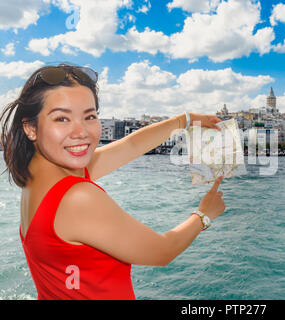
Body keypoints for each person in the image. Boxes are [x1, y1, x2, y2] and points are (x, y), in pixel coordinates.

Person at [0, 63, 226, 300]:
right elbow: (162, 251)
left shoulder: (37, 176)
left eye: (89, 116)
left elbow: (130, 145)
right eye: (62, 119)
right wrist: (204, 214)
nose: (81, 132)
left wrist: (184, 120)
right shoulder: (77, 198)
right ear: (31, 127)